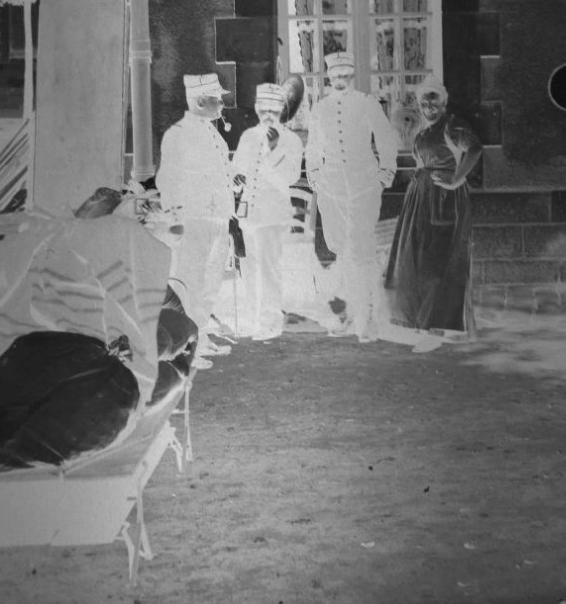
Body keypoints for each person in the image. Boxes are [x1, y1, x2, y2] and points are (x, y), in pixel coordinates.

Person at [305, 51, 399, 342]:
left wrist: (385, 174)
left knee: (362, 251)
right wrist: (316, 177)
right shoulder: (320, 108)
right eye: (335, 77)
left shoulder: (366, 103)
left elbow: (385, 138)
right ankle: (348, 313)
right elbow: (312, 147)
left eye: (345, 76)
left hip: (363, 187)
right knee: (342, 251)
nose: (341, 82)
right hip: (332, 189)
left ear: (352, 76)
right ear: (329, 78)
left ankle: (367, 317)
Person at [384, 75, 483, 339]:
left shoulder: (451, 125)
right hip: (421, 201)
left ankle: (439, 325)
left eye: (434, 98)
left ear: (444, 102)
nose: (429, 104)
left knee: (439, 261)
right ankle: (424, 322)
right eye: (424, 99)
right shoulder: (425, 131)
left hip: (444, 199)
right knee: (419, 260)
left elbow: (474, 149)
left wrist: (456, 178)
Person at [156, 73, 235, 369]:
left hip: (217, 219)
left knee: (210, 284)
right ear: (202, 101)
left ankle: (200, 337)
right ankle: (188, 347)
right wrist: (176, 219)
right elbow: (168, 180)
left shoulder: (212, 133)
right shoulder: (177, 134)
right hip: (194, 220)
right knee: (191, 283)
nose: (221, 105)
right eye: (218, 100)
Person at [231, 83, 304, 341]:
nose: (269, 115)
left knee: (269, 269)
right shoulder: (248, 137)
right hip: (249, 213)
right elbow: (237, 167)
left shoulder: (291, 140)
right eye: (264, 110)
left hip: (273, 214)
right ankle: (252, 320)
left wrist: (271, 152)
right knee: (249, 269)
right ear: (257, 109)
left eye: (274, 109)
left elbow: (290, 176)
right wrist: (236, 178)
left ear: (283, 109)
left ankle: (271, 322)